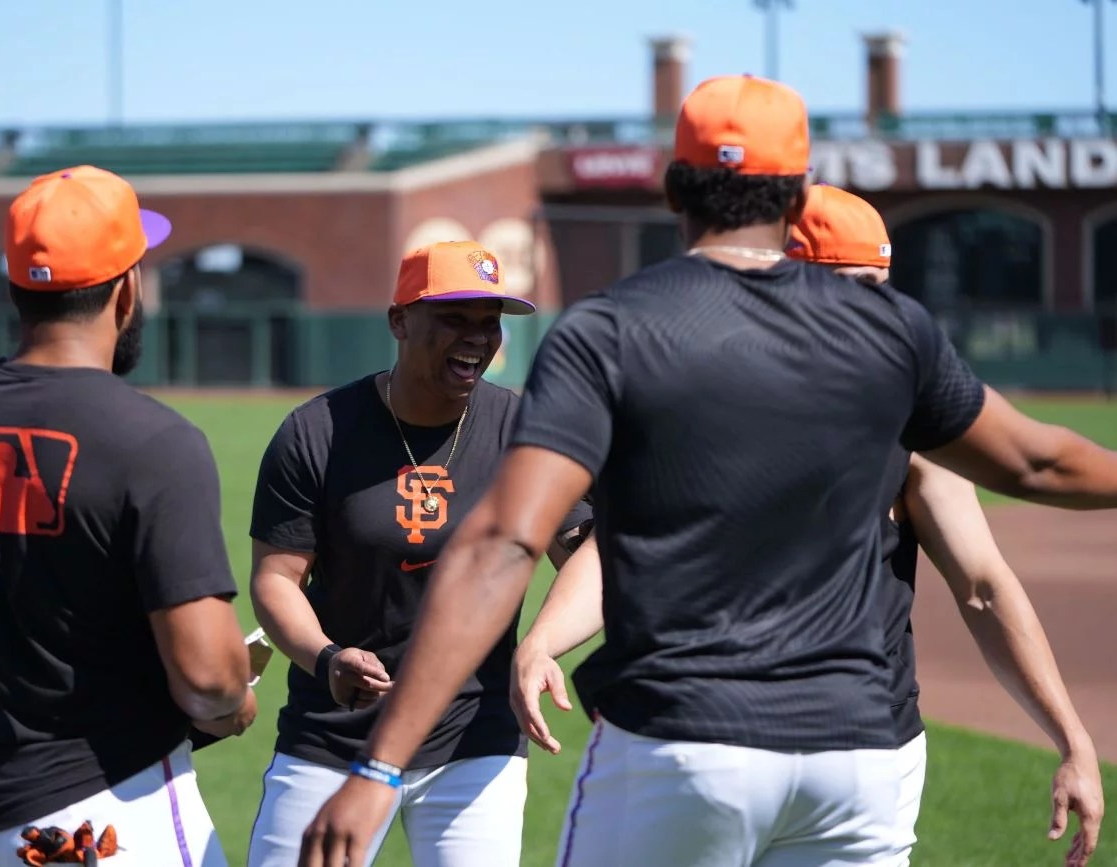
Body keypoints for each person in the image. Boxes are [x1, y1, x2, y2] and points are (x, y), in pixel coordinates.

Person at [296, 75, 1117, 867]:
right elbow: (1040, 461)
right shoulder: (893, 332)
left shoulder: (610, 332)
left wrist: (380, 764)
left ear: (671, 194)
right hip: (860, 754)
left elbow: (505, 542)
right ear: (798, 200)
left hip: (682, 745)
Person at [507, 183, 1105, 867]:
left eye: (882, 285)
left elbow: (983, 584)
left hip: (862, 743)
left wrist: (1072, 740)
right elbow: (624, 540)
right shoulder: (701, 389)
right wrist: (544, 638)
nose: (873, 308)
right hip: (713, 730)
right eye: (853, 285)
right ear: (787, 277)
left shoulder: (907, 412)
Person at [0, 164, 258, 867]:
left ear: (14, 288)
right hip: (110, 815)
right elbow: (210, 675)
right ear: (128, 289)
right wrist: (232, 701)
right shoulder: (156, 441)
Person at [246, 240, 593, 867]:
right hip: (332, 734)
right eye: (454, 318)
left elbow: (591, 556)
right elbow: (275, 581)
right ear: (400, 321)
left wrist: (540, 645)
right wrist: (325, 659)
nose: (476, 338)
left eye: (490, 323)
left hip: (474, 737)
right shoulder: (317, 430)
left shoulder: (524, 428)